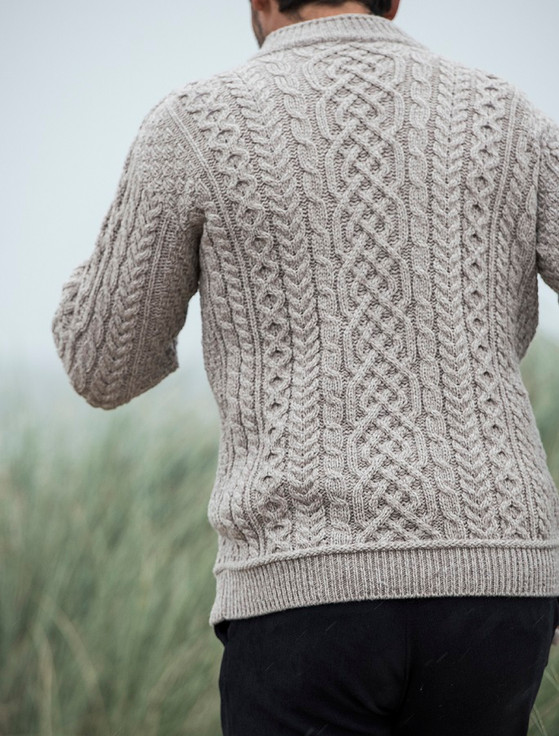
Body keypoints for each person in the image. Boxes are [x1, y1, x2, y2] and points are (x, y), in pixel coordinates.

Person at [51, 0, 559, 733]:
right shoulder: (506, 116)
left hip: (305, 581)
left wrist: (119, 247)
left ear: (260, 1)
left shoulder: (196, 125)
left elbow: (102, 363)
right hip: (500, 578)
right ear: (392, 0)